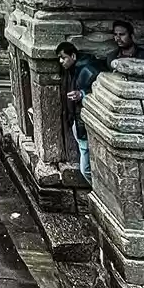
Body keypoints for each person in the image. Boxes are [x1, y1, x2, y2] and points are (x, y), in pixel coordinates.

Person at [56, 41, 100, 183]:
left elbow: (96, 91)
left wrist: (82, 94)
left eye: (63, 57)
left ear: (73, 56)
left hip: (84, 122)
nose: (61, 61)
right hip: (75, 119)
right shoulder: (69, 71)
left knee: (86, 169)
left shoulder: (86, 71)